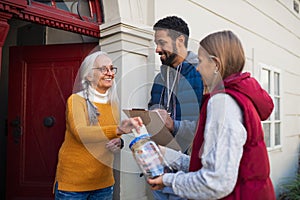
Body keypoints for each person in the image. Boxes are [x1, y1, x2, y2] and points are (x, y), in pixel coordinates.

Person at [148, 30, 276, 200]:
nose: (198, 68)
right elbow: (207, 165)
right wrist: (165, 154)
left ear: (216, 64)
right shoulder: (236, 97)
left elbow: (215, 182)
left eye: (200, 61)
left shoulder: (223, 102)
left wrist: (168, 180)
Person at [53, 51, 142, 200]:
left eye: (111, 68)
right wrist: (118, 130)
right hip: (74, 184)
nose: (109, 73)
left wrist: (119, 142)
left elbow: (109, 135)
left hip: (104, 183)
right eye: (103, 69)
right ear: (88, 76)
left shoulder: (113, 103)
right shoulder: (76, 100)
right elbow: (81, 132)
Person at [148, 16, 204, 200]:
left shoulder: (202, 75)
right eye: (156, 43)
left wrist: (173, 125)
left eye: (161, 42)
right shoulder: (159, 78)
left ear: (180, 40)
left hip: (189, 174)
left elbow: (207, 126)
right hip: (159, 169)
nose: (157, 49)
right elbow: (152, 111)